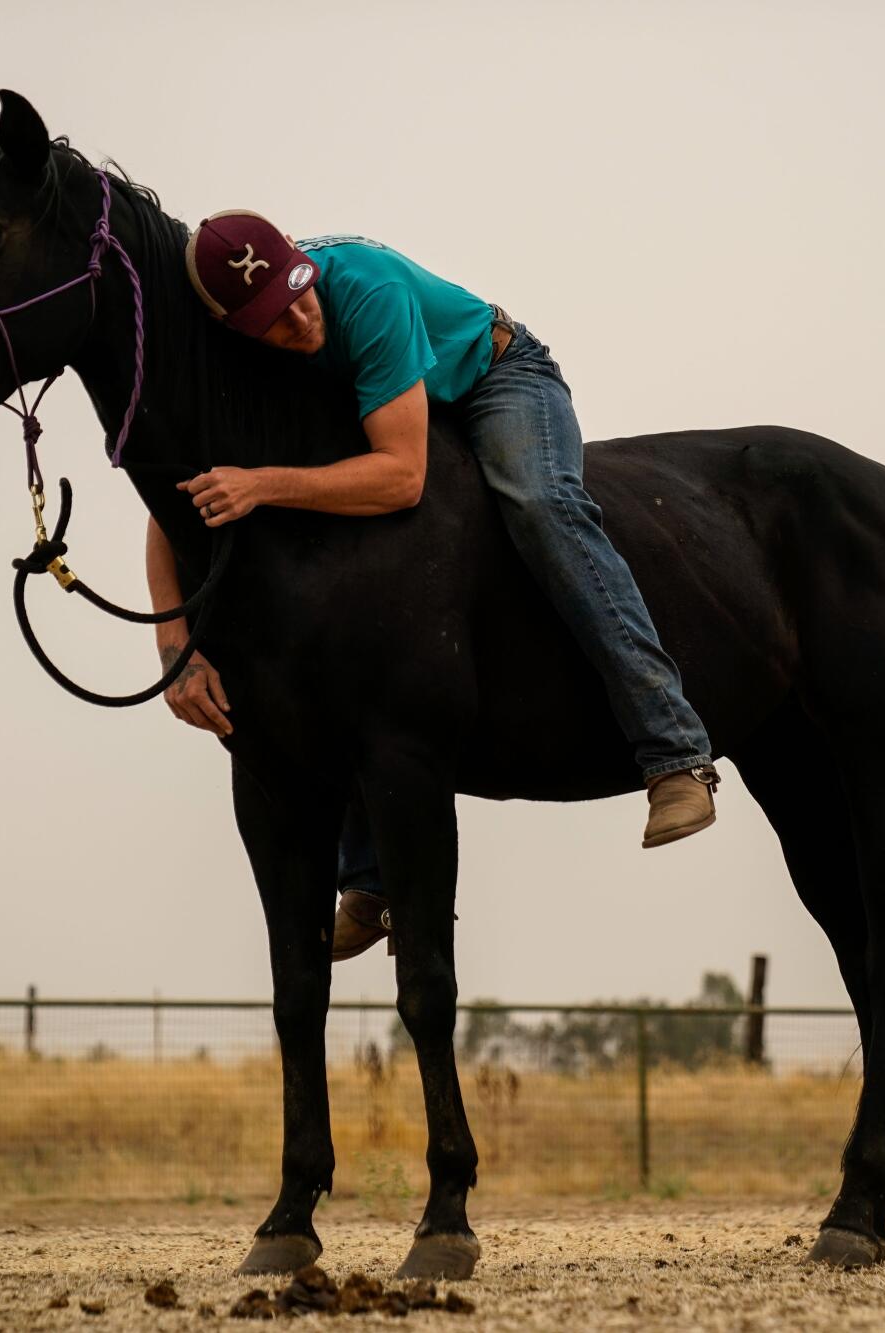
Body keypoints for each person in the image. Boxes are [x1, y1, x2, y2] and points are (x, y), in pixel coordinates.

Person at [147, 210, 718, 960]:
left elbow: (402, 476)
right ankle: (372, 880)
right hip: (381, 404)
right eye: (275, 323)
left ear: (300, 264)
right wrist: (174, 645)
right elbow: (178, 496)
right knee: (327, 609)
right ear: (232, 327)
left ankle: (674, 750)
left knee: (541, 505)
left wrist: (264, 482)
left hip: (492, 378)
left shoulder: (366, 293)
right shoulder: (233, 355)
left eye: (300, 296)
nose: (300, 321)